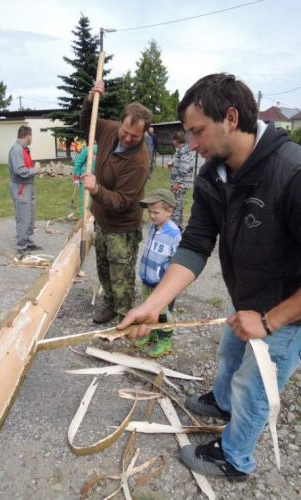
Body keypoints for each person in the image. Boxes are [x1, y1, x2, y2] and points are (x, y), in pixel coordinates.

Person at [118, 73, 301, 481]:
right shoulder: (214, 176)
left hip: (286, 312)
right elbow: (196, 244)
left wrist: (270, 321)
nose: (193, 145)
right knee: (228, 359)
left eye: (197, 132)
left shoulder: (291, 173)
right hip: (246, 297)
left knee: (253, 388)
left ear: (231, 117)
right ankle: (221, 402)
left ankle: (235, 458)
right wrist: (152, 305)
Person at [80, 80, 151, 324]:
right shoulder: (110, 130)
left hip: (122, 227)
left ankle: (125, 317)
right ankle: (109, 304)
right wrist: (91, 98)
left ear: (144, 133)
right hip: (101, 220)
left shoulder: (139, 161)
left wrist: (97, 189)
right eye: (125, 132)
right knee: (103, 268)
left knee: (121, 274)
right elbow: (86, 123)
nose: (128, 138)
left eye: (135, 135)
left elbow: (122, 201)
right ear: (120, 123)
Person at [134, 188, 181, 357]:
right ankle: (152, 332)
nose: (152, 216)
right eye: (149, 212)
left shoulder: (174, 234)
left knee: (162, 313)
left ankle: (165, 340)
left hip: (161, 284)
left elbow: (177, 263)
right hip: (147, 279)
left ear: (169, 212)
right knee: (148, 308)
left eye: (156, 212)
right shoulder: (154, 228)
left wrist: (167, 282)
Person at [8, 125, 42, 255]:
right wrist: (35, 170)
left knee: (30, 216)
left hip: (28, 185)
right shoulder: (16, 150)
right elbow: (19, 170)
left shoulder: (24, 149)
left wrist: (34, 170)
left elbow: (25, 167)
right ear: (27, 136)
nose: (32, 138)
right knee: (23, 217)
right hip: (21, 187)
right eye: (31, 136)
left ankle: (28, 242)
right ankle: (21, 246)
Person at [167, 130, 193, 231]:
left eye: (173, 140)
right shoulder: (181, 150)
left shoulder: (184, 151)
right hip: (180, 183)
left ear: (177, 140)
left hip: (180, 184)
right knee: (179, 204)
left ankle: (174, 226)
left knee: (176, 205)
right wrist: (173, 163)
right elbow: (181, 164)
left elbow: (183, 168)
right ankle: (178, 225)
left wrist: (177, 183)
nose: (172, 142)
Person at [73, 142, 98, 217]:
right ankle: (83, 222)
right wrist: (76, 178)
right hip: (86, 179)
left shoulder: (107, 150)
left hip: (98, 179)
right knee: (86, 203)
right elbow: (78, 163)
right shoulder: (88, 149)